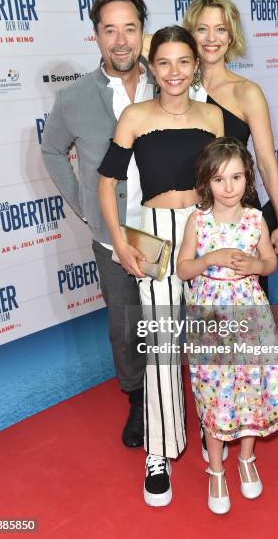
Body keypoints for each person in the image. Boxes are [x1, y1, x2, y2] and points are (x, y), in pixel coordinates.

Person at [97, 25, 224, 507]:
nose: (174, 72)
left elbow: (227, 180)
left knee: (217, 339)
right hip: (151, 234)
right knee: (162, 346)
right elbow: (107, 181)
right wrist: (118, 240)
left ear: (196, 66)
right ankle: (160, 451)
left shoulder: (213, 116)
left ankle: (222, 434)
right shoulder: (134, 116)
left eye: (183, 62)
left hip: (205, 227)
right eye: (164, 62)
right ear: (152, 66)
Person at [41, 0, 155, 449]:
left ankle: (170, 395)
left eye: (130, 28)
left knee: (171, 319)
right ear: (96, 37)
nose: (121, 40)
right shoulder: (73, 97)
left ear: (143, 32)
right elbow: (51, 150)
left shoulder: (171, 83)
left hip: (169, 229)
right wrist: (83, 205)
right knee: (126, 326)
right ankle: (137, 401)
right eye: (110, 30)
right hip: (112, 238)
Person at [177, 138, 278, 514]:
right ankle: (215, 468)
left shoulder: (254, 219)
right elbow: (183, 268)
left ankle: (246, 458)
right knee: (215, 392)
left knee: (250, 386)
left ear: (247, 178)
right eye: (219, 179)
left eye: (236, 177)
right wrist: (209, 258)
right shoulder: (197, 221)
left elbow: (270, 262)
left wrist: (256, 266)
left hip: (250, 315)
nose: (228, 187)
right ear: (206, 182)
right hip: (209, 318)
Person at [183, 0, 278, 256]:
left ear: (230, 36)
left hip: (240, 217)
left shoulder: (247, 92)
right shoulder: (178, 87)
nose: (211, 39)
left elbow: (266, 163)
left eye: (221, 29)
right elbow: (142, 43)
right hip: (194, 217)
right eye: (202, 29)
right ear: (190, 35)